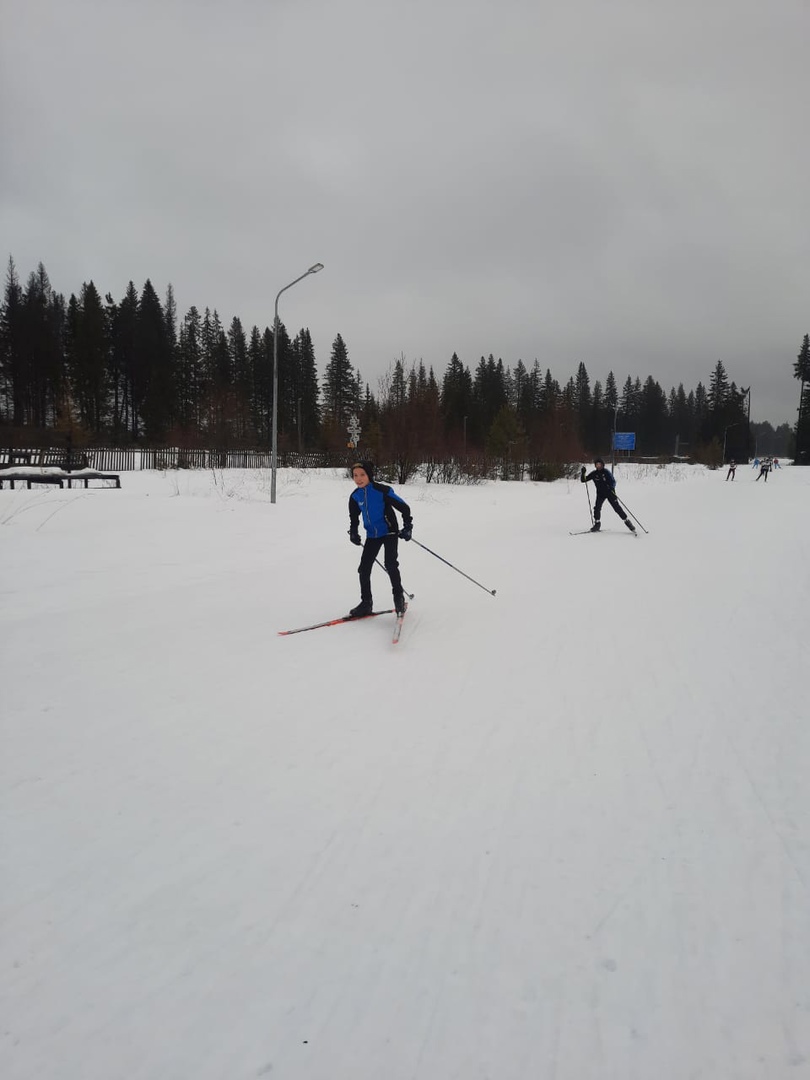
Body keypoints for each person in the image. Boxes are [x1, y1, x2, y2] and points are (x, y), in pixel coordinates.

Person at [347, 461, 413, 616]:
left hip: (389, 532)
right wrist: (353, 532)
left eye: (362, 475)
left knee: (390, 564)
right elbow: (354, 517)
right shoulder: (355, 496)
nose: (358, 479)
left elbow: (404, 507)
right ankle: (366, 603)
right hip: (372, 535)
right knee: (364, 569)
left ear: (369, 475)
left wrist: (408, 526)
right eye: (355, 475)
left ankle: (398, 598)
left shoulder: (382, 491)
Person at [580, 457, 635, 532]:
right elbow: (584, 480)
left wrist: (611, 487)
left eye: (599, 464)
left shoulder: (606, 472)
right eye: (597, 464)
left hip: (610, 493)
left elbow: (613, 482)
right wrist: (583, 473)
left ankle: (628, 522)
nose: (598, 466)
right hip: (600, 494)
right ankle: (597, 524)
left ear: (602, 465)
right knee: (597, 508)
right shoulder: (594, 473)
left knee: (617, 508)